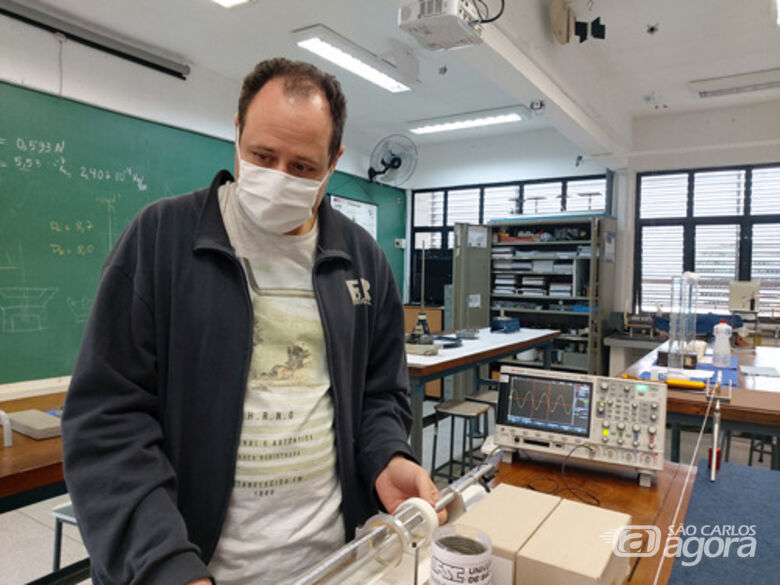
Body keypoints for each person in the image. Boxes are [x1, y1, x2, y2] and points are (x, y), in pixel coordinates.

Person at [62, 57, 443, 585]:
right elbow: (108, 423)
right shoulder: (160, 241)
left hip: (336, 564)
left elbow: (380, 394)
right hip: (191, 567)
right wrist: (165, 565)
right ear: (236, 133)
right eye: (262, 156)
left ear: (334, 162)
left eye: (303, 167)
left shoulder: (362, 258)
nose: (278, 178)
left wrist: (386, 456)